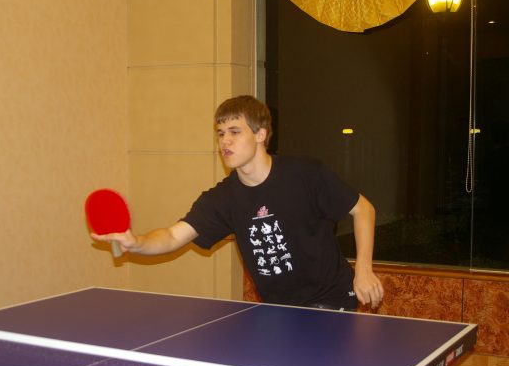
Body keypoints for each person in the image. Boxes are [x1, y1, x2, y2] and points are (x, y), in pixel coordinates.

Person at [91, 95, 384, 310]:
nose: (224, 142)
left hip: (330, 299)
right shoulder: (222, 198)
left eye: (234, 132)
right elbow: (171, 236)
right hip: (278, 308)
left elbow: (363, 209)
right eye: (220, 134)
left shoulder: (306, 174)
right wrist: (137, 242)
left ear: (260, 134)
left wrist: (364, 269)